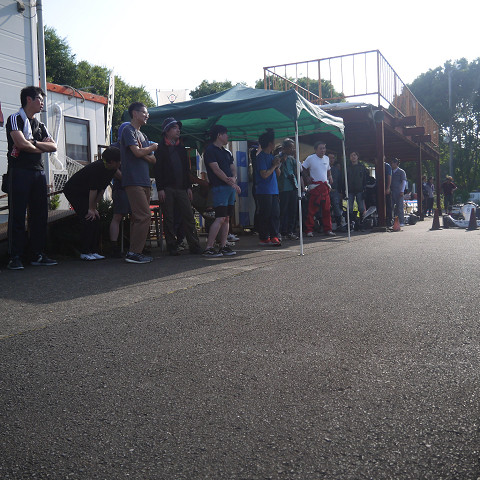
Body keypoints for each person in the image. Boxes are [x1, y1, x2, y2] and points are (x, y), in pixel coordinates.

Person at [5, 86, 58, 270]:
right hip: (19, 171)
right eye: (40, 99)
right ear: (29, 99)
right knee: (18, 214)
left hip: (38, 172)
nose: (42, 103)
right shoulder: (15, 118)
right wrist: (40, 146)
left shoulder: (40, 125)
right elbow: (20, 143)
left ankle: (37, 254)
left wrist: (34, 142)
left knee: (40, 215)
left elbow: (54, 147)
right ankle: (15, 257)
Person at [154, 117, 202, 255]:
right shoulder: (160, 148)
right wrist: (160, 188)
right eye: (175, 128)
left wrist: (188, 187)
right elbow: (157, 170)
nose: (178, 130)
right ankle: (171, 245)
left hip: (182, 188)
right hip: (167, 188)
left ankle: (194, 245)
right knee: (169, 218)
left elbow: (187, 169)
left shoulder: (181, 147)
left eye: (178, 128)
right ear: (167, 131)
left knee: (189, 216)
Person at [63, 147, 121, 260]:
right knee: (88, 218)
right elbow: (93, 190)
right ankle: (85, 252)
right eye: (118, 161)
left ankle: (93, 251)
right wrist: (90, 209)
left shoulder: (112, 169)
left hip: (87, 193)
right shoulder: (97, 168)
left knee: (96, 218)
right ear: (111, 162)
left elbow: (101, 190)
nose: (120, 163)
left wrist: (94, 208)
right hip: (74, 191)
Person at [120, 102, 157, 264]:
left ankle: (134, 252)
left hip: (144, 181)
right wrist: (150, 148)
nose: (147, 115)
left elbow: (153, 160)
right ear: (134, 113)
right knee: (144, 216)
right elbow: (136, 152)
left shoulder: (143, 135)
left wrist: (144, 151)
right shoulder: (128, 130)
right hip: (133, 180)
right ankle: (135, 252)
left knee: (137, 217)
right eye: (144, 112)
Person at [202, 125, 241, 257]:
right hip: (219, 188)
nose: (227, 136)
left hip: (229, 188)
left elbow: (232, 167)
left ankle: (223, 246)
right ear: (219, 135)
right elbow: (216, 170)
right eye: (225, 134)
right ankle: (209, 247)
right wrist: (231, 182)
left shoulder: (226, 152)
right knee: (220, 217)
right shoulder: (210, 150)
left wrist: (234, 178)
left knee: (227, 218)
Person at [302, 141, 335, 237]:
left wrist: (330, 176)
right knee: (312, 210)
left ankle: (328, 229)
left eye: (324, 148)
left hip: (325, 186)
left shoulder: (327, 158)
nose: (323, 150)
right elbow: (303, 169)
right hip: (315, 187)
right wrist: (307, 177)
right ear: (315, 149)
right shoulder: (310, 158)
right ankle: (309, 230)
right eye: (321, 148)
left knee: (327, 210)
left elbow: (328, 170)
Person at [255, 129, 282, 246]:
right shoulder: (261, 157)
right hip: (264, 190)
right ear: (270, 144)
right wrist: (274, 166)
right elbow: (264, 174)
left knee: (275, 213)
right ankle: (264, 237)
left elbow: (278, 174)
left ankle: (274, 236)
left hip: (273, 190)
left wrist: (277, 165)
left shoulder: (271, 157)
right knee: (265, 214)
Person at [109, 122, 130, 257]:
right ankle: (114, 247)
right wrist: (126, 179)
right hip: (121, 187)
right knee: (118, 216)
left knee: (137, 216)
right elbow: (112, 168)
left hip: (133, 186)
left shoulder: (132, 146)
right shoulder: (114, 147)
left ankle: (135, 245)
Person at [277, 138, 299, 240]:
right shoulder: (278, 157)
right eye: (290, 147)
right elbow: (276, 169)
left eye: (293, 147)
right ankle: (281, 231)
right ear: (284, 148)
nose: (292, 149)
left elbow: (298, 170)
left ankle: (290, 231)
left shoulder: (292, 159)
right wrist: (282, 160)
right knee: (283, 211)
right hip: (283, 188)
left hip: (292, 186)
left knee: (293, 210)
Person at [346, 151, 367, 228]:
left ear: (357, 157)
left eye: (355, 155)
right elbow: (344, 179)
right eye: (351, 155)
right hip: (350, 190)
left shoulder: (362, 167)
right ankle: (351, 223)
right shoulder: (347, 167)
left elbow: (365, 179)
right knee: (350, 208)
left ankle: (362, 223)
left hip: (360, 190)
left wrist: (365, 189)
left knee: (361, 207)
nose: (353, 157)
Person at [328, 153, 343, 229]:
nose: (331, 160)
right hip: (325, 191)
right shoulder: (323, 168)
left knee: (336, 206)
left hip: (335, 191)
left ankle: (339, 224)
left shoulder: (337, 170)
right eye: (330, 158)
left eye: (333, 158)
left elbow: (340, 182)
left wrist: (340, 192)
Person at [390, 158, 407, 226]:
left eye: (392, 163)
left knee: (400, 207)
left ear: (396, 163)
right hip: (391, 191)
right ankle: (391, 221)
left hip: (399, 191)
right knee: (390, 207)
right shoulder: (390, 171)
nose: (391, 164)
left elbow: (404, 181)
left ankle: (401, 221)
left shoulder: (401, 172)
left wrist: (402, 191)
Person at [384, 158, 393, 226]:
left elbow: (389, 177)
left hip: (386, 188)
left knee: (388, 204)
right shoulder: (377, 166)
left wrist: (388, 188)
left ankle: (389, 220)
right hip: (380, 188)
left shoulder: (387, 166)